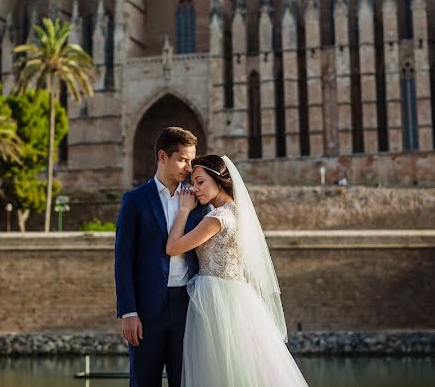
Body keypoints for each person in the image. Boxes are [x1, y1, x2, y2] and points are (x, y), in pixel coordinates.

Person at [166, 154, 310, 386]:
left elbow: (173, 247)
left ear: (219, 180)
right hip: (237, 294)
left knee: (218, 368)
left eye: (200, 182)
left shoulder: (217, 218)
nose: (195, 189)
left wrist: (183, 211)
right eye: (193, 183)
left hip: (215, 297)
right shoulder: (238, 213)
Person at [115, 127, 208, 387]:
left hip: (187, 306)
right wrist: (128, 312)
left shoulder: (197, 202)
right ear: (163, 157)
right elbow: (123, 261)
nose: (189, 168)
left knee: (185, 381)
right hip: (145, 311)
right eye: (183, 160)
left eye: (192, 160)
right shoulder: (134, 201)